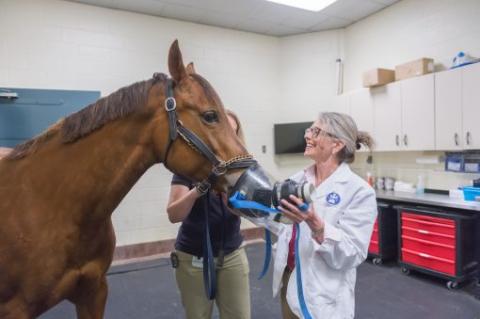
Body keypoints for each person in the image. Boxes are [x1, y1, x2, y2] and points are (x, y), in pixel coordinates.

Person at [273, 112, 377, 319]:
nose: (307, 136)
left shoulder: (359, 191)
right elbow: (282, 225)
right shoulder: (298, 179)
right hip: (291, 279)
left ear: (336, 145)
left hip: (324, 294)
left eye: (316, 131)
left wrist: (316, 225)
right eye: (309, 130)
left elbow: (353, 253)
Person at [166, 110, 251, 319]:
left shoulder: (243, 169)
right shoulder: (189, 166)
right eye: (224, 128)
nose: (227, 134)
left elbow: (250, 212)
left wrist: (230, 201)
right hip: (194, 257)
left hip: (232, 254)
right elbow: (174, 214)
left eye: (233, 130)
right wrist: (198, 190)